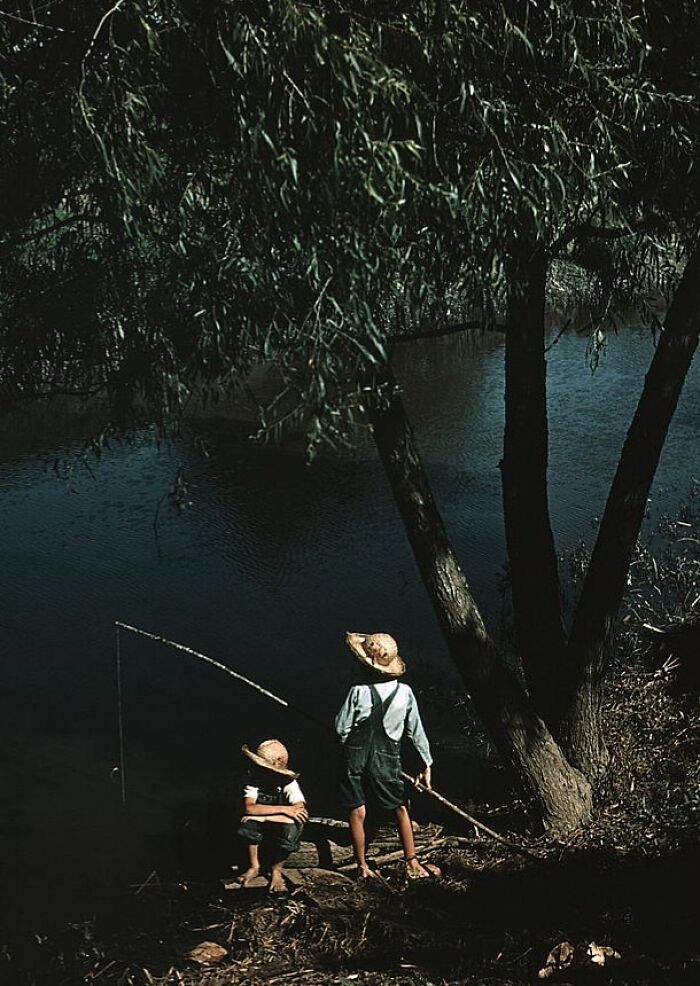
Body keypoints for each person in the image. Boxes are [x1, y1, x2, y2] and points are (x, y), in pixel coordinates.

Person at [335, 631, 439, 880]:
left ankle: (362, 866)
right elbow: (416, 731)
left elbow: (341, 728)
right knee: (400, 808)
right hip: (387, 757)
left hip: (355, 756)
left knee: (357, 811)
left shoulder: (357, 691)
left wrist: (349, 745)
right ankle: (411, 861)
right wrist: (426, 762)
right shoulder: (405, 693)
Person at [236, 739, 308, 893]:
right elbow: (249, 808)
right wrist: (283, 810)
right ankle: (254, 866)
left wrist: (264, 816)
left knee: (291, 829)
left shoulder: (288, 784)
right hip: (270, 821)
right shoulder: (254, 783)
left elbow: (298, 812)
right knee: (249, 825)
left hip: (280, 824)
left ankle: (276, 870)